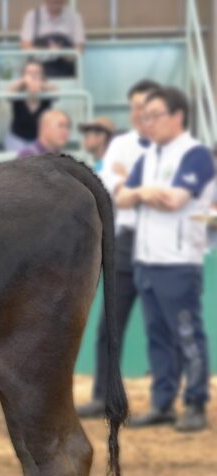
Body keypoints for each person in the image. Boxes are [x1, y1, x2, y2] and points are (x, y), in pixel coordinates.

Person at [116, 87, 213, 432]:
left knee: (186, 333)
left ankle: (196, 402)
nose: (148, 122)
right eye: (145, 116)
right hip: (146, 259)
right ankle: (162, 403)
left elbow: (174, 200)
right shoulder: (149, 157)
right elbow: (122, 197)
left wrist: (142, 195)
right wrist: (144, 193)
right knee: (157, 335)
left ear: (177, 116)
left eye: (155, 115)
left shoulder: (195, 155)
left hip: (178, 261)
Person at [76, 79, 161, 420]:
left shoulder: (169, 146)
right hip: (124, 242)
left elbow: (139, 189)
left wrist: (133, 185)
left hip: (158, 243)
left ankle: (163, 400)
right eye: (134, 107)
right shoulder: (122, 144)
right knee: (108, 327)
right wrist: (142, 189)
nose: (138, 113)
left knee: (161, 327)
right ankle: (103, 396)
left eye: (145, 107)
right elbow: (108, 188)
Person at [20, 0, 85, 77]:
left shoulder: (74, 17)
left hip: (67, 74)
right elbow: (26, 47)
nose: (56, 1)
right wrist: (47, 53)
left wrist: (62, 53)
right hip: (38, 76)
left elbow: (80, 49)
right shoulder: (32, 16)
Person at [5, 59, 56, 152]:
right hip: (17, 138)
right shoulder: (17, 91)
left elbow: (56, 92)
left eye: (37, 72)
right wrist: (24, 82)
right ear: (23, 75)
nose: (33, 76)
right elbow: (8, 94)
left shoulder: (47, 92)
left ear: (43, 75)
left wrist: (40, 85)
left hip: (40, 141)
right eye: (29, 73)